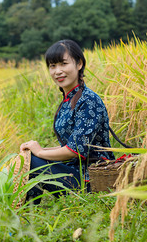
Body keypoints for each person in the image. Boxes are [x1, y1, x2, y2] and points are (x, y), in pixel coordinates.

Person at [20, 40, 115, 204]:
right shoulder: (68, 100)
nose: (58, 71)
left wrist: (40, 153)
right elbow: (69, 144)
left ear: (79, 64)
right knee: (27, 158)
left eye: (63, 64)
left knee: (32, 162)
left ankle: (28, 213)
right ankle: (28, 210)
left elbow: (75, 150)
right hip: (73, 171)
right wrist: (37, 150)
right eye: (52, 66)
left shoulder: (88, 100)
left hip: (92, 179)